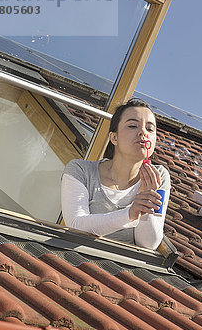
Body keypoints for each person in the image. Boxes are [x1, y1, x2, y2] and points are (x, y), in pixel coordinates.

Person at [61, 98, 171, 251]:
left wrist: (148, 202)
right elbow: (76, 225)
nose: (143, 132)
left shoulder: (159, 176)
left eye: (150, 129)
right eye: (133, 125)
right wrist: (130, 214)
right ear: (114, 137)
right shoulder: (81, 170)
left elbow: (148, 244)